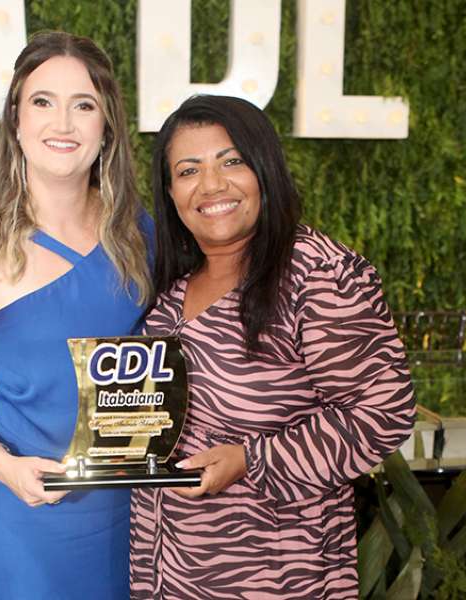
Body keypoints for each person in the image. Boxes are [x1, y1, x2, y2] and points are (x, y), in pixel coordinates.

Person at [130, 95, 416, 599]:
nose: (211, 185)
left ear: (265, 169)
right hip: (170, 570)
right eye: (188, 170)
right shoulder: (173, 285)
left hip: (277, 575)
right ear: (171, 193)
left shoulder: (317, 274)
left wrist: (251, 460)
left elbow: (383, 412)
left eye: (231, 162)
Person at [0, 31, 153, 599]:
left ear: (107, 126)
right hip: (23, 512)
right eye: (43, 102)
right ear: (16, 122)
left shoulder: (141, 233)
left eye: (84, 105)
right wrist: (2, 465)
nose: (63, 123)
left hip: (137, 517)